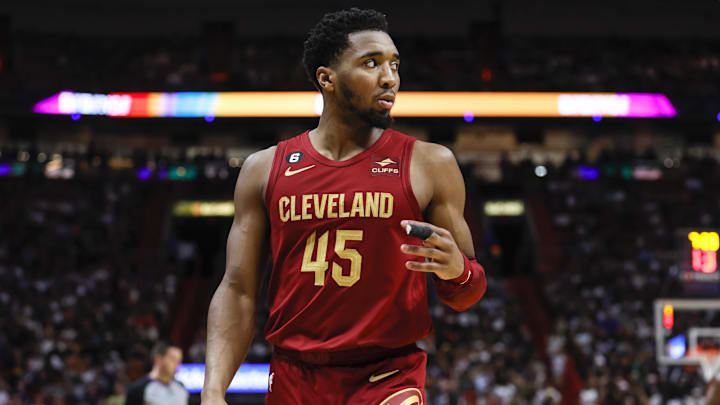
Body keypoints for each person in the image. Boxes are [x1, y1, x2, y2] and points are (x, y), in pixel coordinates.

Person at [201, 8, 487, 405]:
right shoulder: (264, 169)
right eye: (371, 64)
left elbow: (467, 293)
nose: (390, 78)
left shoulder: (430, 164)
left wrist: (457, 272)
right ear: (327, 79)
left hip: (388, 375)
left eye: (394, 65)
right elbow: (237, 290)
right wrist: (213, 389)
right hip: (294, 377)